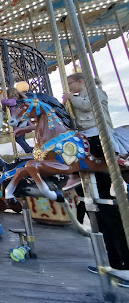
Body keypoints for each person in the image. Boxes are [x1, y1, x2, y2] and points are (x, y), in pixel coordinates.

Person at [63, 72, 129, 271]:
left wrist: (71, 99)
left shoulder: (95, 92)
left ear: (80, 81)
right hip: (85, 137)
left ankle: (122, 259)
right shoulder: (76, 98)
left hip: (98, 136)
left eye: (71, 83)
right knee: (99, 211)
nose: (69, 87)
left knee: (106, 208)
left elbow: (88, 106)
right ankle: (113, 260)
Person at [2, 88, 35, 154]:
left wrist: (2, 97)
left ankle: (29, 151)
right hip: (23, 122)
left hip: (19, 123)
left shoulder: (14, 100)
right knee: (21, 138)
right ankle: (29, 149)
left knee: (18, 138)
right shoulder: (21, 101)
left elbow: (5, 102)